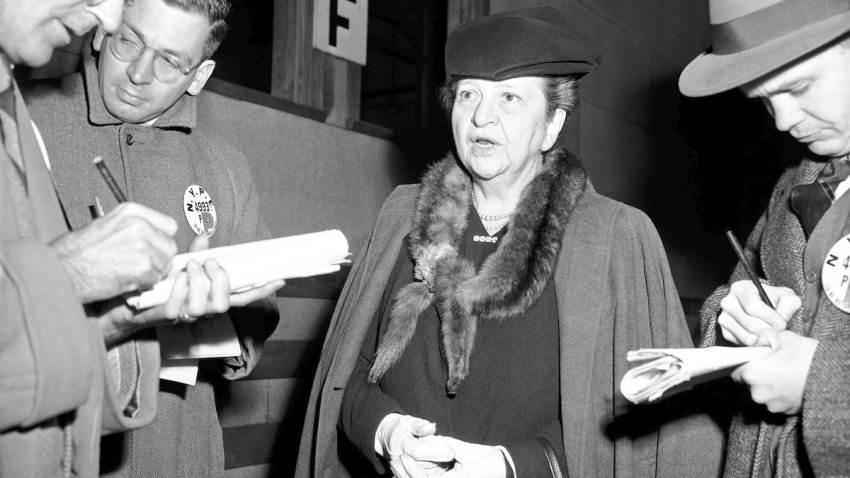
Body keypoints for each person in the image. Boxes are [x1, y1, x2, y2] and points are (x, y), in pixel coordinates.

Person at [296, 7, 724, 478]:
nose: (482, 115)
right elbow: (347, 374)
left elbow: (644, 418)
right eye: (468, 95)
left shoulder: (614, 237)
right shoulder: (403, 214)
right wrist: (387, 430)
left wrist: (512, 466)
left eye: (510, 99)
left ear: (553, 125)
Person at [21, 0, 283, 476]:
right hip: (58, 443)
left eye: (169, 60)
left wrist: (229, 322)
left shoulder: (225, 165)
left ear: (200, 75)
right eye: (129, 41)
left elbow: (255, 324)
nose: (138, 73)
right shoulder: (24, 122)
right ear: (103, 32)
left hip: (181, 449)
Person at [0, 1, 180, 477]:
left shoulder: (10, 104)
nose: (108, 19)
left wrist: (114, 322)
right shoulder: (36, 110)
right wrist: (71, 273)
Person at [680, 0, 850, 476]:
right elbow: (728, 298)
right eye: (763, 100)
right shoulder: (793, 185)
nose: (781, 122)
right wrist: (732, 321)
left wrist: (821, 387)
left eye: (799, 88)